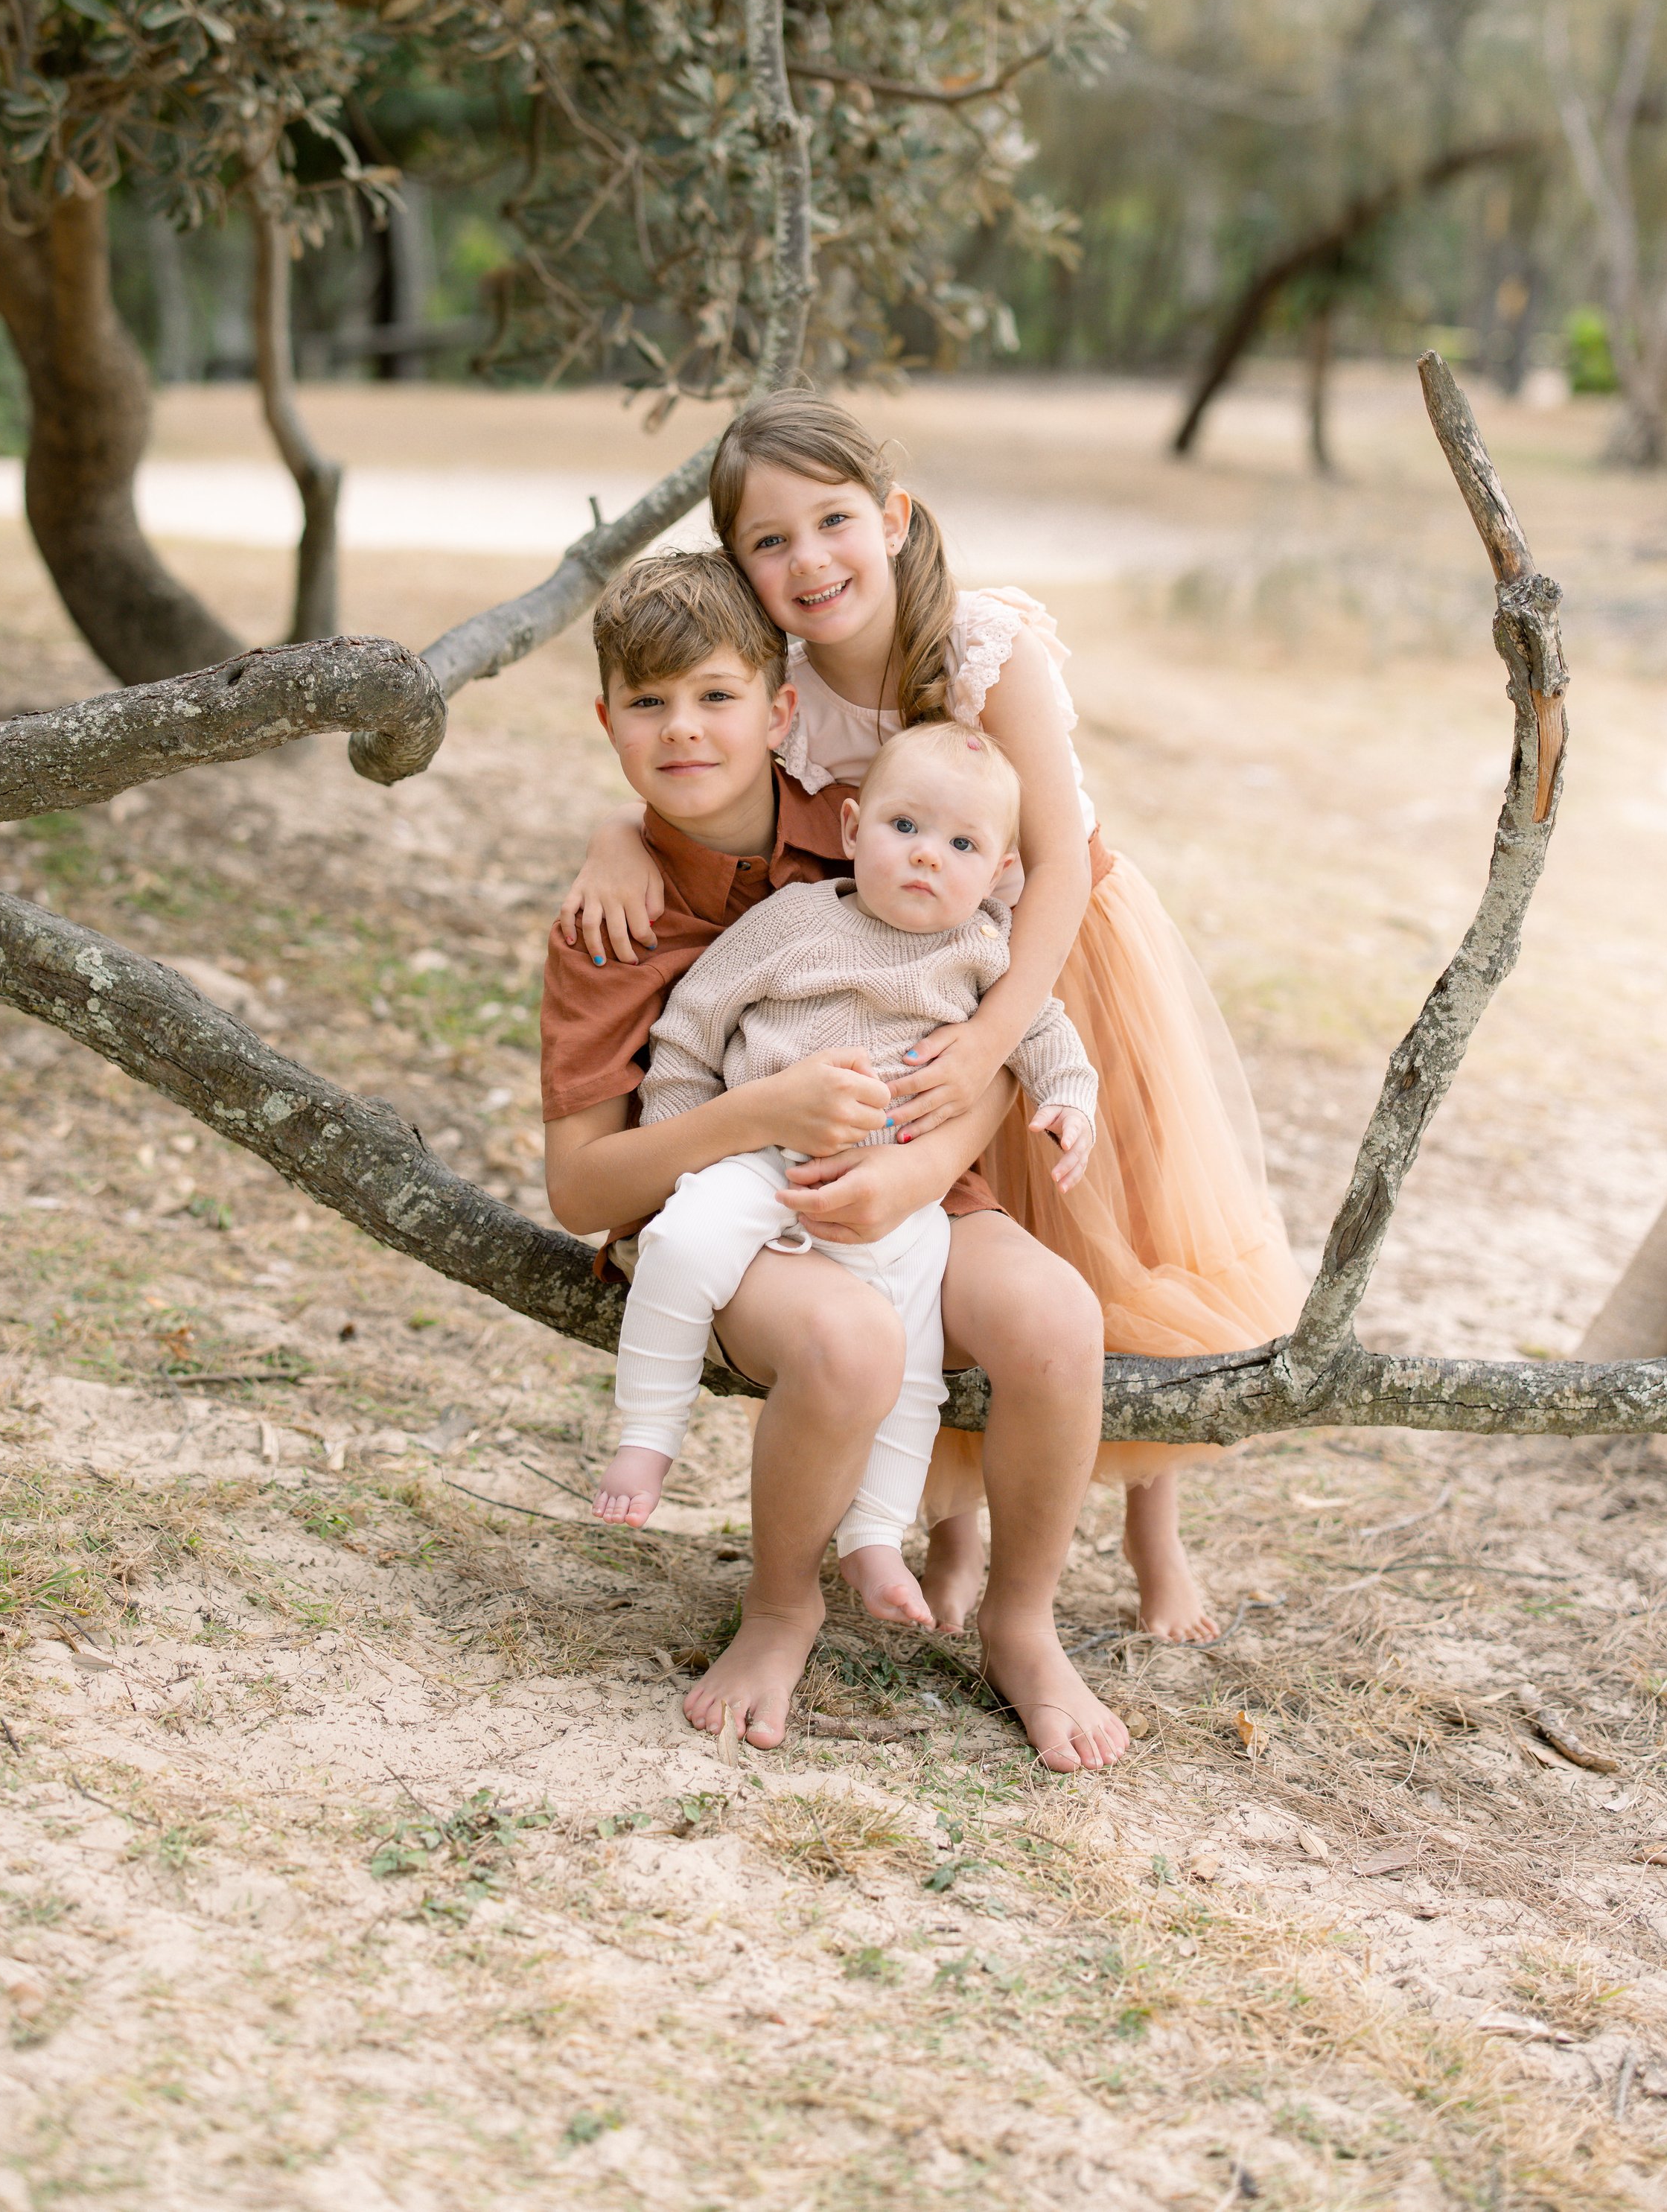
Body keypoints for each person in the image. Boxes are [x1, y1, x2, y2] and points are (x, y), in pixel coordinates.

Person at [559, 390, 1307, 1645]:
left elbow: (1059, 862)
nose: (810, 561)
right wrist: (615, 830)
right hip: (911, 971)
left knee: (1112, 1237)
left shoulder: (979, 644)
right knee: (959, 1231)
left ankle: (1152, 1536)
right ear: (743, 569)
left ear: (891, 518)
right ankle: (956, 1538)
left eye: (834, 521)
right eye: (771, 542)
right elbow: (710, 783)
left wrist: (998, 1033)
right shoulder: (782, 689)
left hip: (1054, 956)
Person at [541, 549, 1128, 1769]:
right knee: (851, 1340)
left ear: (782, 711)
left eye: (715, 696)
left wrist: (923, 1168)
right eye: (647, 704)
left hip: (917, 1185)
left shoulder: (867, 825)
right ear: (607, 722)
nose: (685, 731)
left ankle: (1021, 1620)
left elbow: (984, 1017)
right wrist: (764, 1114)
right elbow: (583, 1188)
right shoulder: (611, 921)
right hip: (735, 1211)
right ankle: (782, 1604)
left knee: (1059, 1319)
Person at [596, 719, 1098, 1638]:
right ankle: (646, 1435)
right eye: (904, 827)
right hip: (756, 1160)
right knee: (682, 1242)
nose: (924, 859)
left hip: (903, 1199)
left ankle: (873, 1534)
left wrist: (1070, 1097)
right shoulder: (794, 921)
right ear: (856, 825)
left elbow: (1044, 1032)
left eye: (960, 845)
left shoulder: (985, 951)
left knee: (908, 1364)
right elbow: (692, 1027)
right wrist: (684, 1147)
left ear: (994, 875)